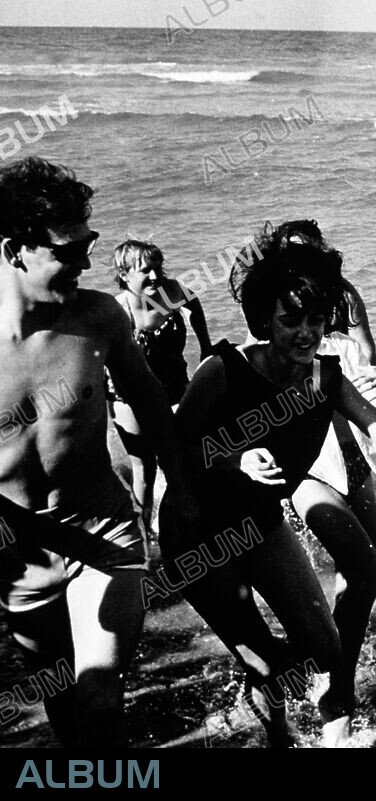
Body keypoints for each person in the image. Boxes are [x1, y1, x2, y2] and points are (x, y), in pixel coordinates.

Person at [173, 234, 376, 747]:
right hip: (198, 532)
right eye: (291, 321)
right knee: (263, 662)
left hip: (260, 524)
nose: (306, 333)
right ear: (265, 321)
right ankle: (276, 731)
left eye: (317, 320)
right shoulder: (224, 370)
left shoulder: (325, 377)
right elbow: (175, 450)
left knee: (325, 649)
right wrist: (236, 458)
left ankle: (273, 680)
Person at [0, 157, 196, 746]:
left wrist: (185, 491)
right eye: (69, 251)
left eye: (90, 245)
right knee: (66, 716)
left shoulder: (99, 317)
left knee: (100, 695)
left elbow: (153, 405)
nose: (86, 264)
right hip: (18, 557)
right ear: (14, 251)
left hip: (102, 531)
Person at [262, 219, 376, 743]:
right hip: (307, 464)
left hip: (354, 454)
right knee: (363, 568)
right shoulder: (274, 319)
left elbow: (370, 380)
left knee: (359, 583)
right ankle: (322, 684)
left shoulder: (345, 304)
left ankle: (331, 682)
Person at [107, 239, 212, 541]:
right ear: (124, 274)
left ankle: (190, 529)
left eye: (157, 268)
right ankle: (143, 539)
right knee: (145, 471)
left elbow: (194, 305)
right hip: (129, 397)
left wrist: (205, 346)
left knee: (187, 460)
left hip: (175, 385)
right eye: (145, 271)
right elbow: (104, 360)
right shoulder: (118, 311)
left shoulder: (172, 291)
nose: (155, 276)